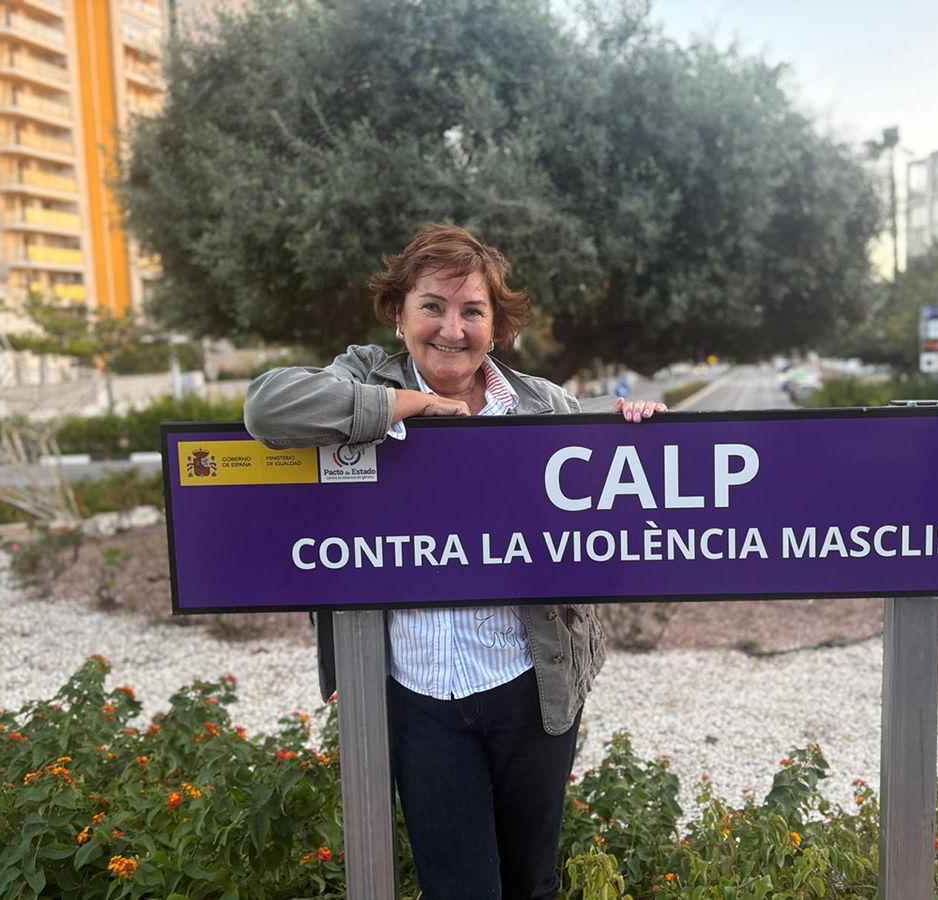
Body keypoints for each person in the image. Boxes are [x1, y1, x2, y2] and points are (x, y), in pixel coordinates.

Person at [244, 224, 665, 899]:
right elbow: (268, 408)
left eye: (473, 310)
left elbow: (601, 455)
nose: (452, 328)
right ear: (401, 314)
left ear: (496, 327)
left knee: (532, 883)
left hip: (531, 684)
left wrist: (637, 422)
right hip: (417, 695)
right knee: (458, 888)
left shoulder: (538, 403)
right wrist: (402, 407)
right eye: (432, 306)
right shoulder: (363, 376)